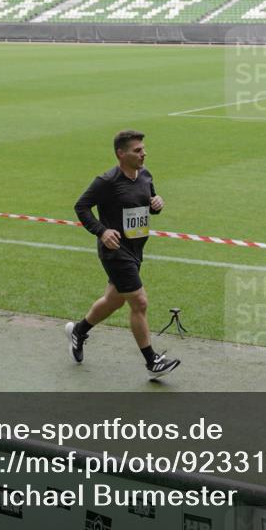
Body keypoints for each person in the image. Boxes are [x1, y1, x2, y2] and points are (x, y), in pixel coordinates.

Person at [65, 130, 180, 379]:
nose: (143, 154)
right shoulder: (106, 181)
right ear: (121, 153)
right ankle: (152, 360)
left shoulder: (145, 175)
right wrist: (102, 231)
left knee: (114, 300)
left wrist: (156, 204)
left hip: (136, 249)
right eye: (137, 150)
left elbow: (147, 201)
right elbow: (81, 207)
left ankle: (79, 330)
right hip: (115, 252)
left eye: (143, 149)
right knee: (139, 302)